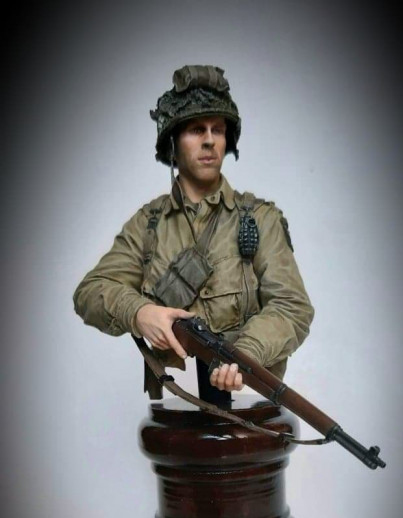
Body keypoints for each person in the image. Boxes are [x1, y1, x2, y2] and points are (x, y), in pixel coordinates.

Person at [73, 64, 314, 399]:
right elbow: (90, 291)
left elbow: (292, 306)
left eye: (218, 130)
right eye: (197, 130)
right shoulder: (148, 224)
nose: (210, 140)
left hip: (248, 398)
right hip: (176, 399)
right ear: (172, 142)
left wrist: (245, 355)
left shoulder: (260, 219)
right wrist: (139, 312)